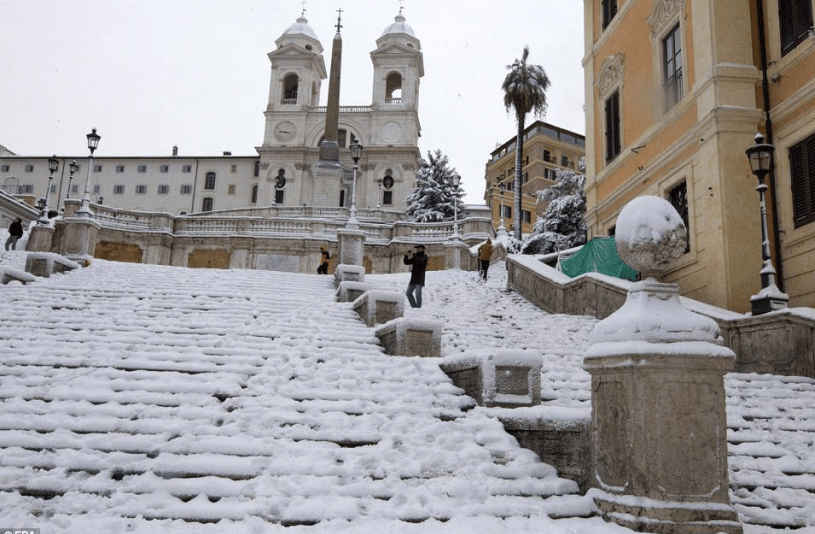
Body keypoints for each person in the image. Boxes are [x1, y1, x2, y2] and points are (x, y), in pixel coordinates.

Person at [403, 244, 428, 308]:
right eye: (416, 248)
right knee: (408, 293)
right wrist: (406, 255)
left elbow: (420, 262)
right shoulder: (415, 256)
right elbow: (407, 262)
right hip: (413, 278)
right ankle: (414, 307)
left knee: (418, 294)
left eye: (418, 248)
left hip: (420, 278)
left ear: (422, 249)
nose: (417, 250)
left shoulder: (425, 256)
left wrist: (413, 256)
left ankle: (418, 307)